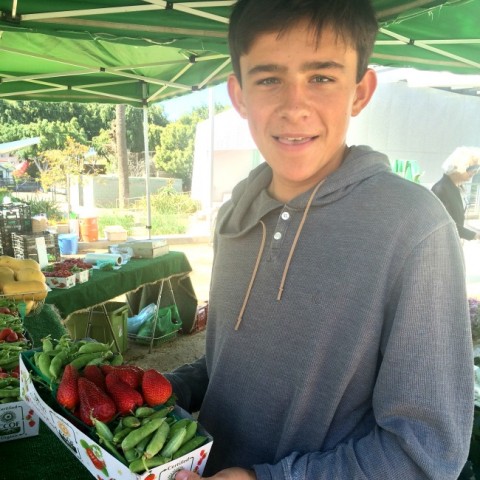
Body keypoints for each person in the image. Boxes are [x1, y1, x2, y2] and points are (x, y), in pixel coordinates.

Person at [169, 1, 474, 479]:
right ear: (239, 95)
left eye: (322, 77)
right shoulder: (234, 218)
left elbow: (425, 452)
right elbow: (229, 364)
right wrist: (167, 388)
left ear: (360, 91)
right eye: (269, 78)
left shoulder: (414, 226)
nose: (295, 106)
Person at [431, 146, 480, 241]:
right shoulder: (441, 189)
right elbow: (446, 225)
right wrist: (475, 235)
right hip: (444, 243)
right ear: (457, 167)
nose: (474, 173)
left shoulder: (457, 187)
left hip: (453, 240)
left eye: (476, 169)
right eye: (471, 169)